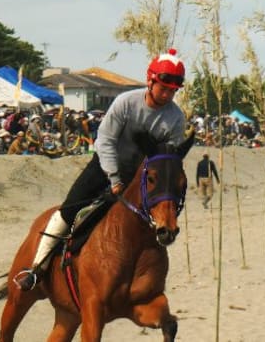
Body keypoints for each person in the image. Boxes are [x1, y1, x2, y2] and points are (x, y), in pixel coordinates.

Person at [14, 48, 187, 291]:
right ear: (150, 81)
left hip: (141, 180)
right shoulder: (126, 103)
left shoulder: (176, 119)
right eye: (164, 88)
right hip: (104, 167)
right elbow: (104, 140)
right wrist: (114, 177)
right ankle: (36, 269)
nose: (168, 94)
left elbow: (167, 159)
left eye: (173, 91)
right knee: (67, 211)